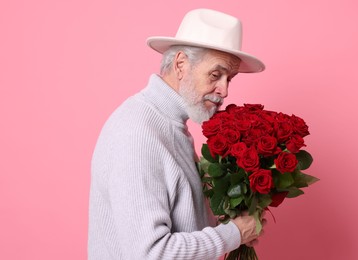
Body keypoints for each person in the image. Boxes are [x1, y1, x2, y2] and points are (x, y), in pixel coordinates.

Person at [88, 8, 266, 260]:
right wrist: (232, 234)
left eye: (230, 78)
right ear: (181, 64)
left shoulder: (170, 125)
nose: (224, 90)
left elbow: (182, 224)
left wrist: (232, 227)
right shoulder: (138, 132)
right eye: (216, 75)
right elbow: (150, 253)